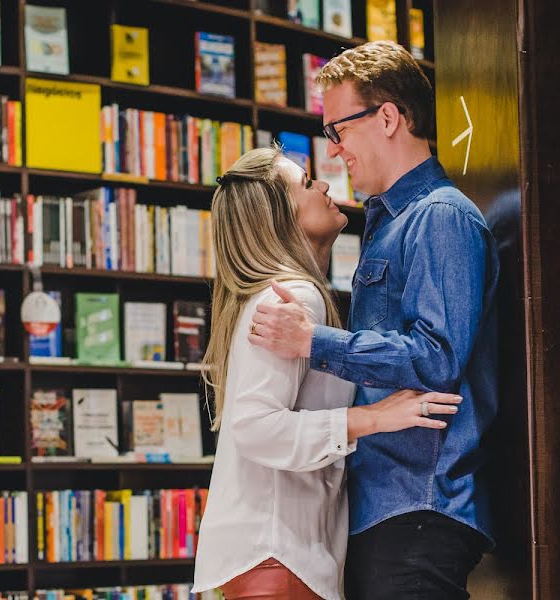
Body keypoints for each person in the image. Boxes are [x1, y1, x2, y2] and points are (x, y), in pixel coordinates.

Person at [247, 41, 499, 599]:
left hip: (418, 505)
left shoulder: (441, 217)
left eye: (338, 130)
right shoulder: (387, 222)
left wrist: (315, 340)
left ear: (388, 117)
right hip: (384, 508)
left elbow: (437, 359)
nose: (333, 152)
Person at [191, 146, 464, 600]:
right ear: (280, 216)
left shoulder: (285, 299)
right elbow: (256, 427)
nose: (322, 186)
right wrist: (376, 417)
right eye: (305, 183)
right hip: (279, 555)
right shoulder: (291, 297)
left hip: (275, 556)